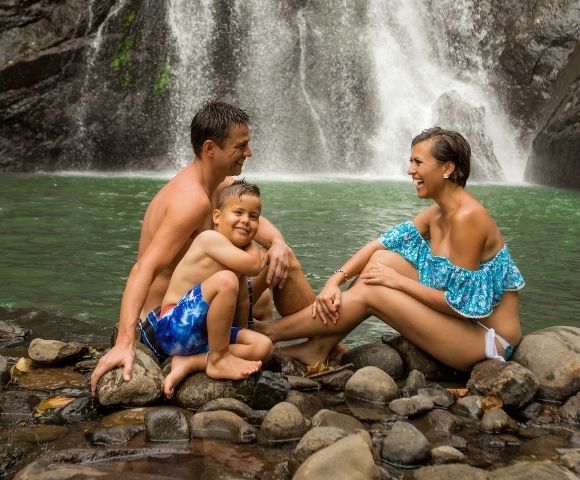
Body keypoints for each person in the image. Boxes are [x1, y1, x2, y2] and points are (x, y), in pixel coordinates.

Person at [253, 127, 525, 371]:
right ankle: (318, 348)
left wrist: (397, 283)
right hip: (461, 325)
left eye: (418, 162)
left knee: (375, 289)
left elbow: (462, 305)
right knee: (381, 260)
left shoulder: (468, 218)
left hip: (486, 340)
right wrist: (334, 280)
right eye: (411, 161)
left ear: (447, 168)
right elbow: (379, 245)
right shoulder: (437, 214)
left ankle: (268, 332)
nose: (410, 170)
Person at [91, 102, 314, 395]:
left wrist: (279, 244)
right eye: (241, 146)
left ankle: (310, 345)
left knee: (279, 261)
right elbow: (143, 268)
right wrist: (124, 341)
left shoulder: (221, 186)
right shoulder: (191, 201)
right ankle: (316, 346)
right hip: (170, 324)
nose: (249, 153)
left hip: (203, 306)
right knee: (252, 276)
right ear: (211, 149)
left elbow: (260, 226)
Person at [143, 180, 273, 398]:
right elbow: (254, 265)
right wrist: (252, 243)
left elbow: (241, 304)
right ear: (216, 217)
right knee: (225, 280)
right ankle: (219, 359)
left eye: (253, 217)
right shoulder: (209, 239)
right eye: (238, 212)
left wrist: (241, 336)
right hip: (174, 327)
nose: (246, 221)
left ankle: (193, 362)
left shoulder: (234, 257)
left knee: (263, 346)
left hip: (204, 335)